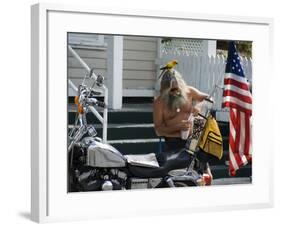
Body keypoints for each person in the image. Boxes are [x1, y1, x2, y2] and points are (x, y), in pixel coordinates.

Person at [153, 69, 213, 185]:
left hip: (195, 139)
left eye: (177, 89)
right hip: (174, 143)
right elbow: (158, 130)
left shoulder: (189, 91)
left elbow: (209, 98)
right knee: (179, 178)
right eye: (171, 90)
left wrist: (199, 106)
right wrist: (177, 126)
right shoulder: (159, 103)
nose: (175, 92)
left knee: (206, 177)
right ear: (165, 90)